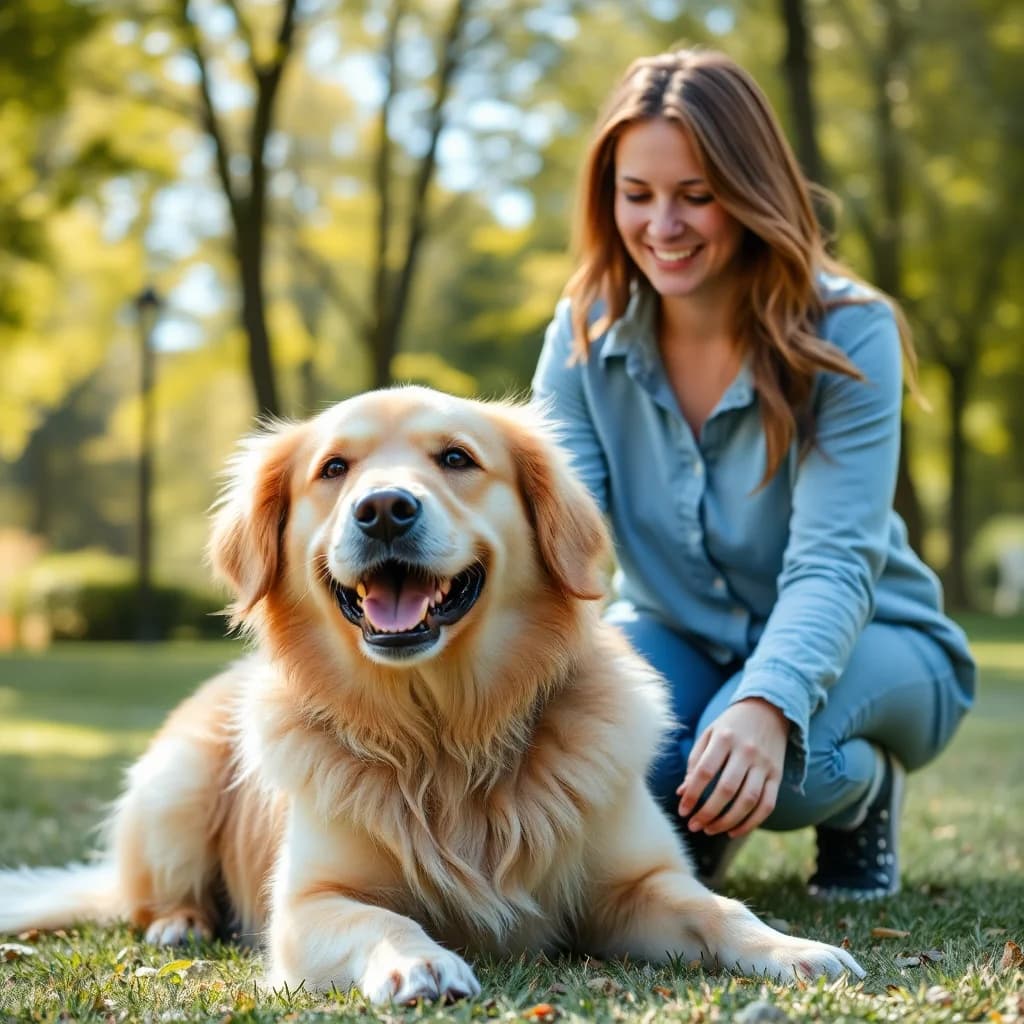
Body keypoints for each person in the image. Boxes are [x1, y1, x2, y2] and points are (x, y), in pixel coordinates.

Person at [531, 46, 976, 900]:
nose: (664, 226)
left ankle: (865, 795)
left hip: (877, 639)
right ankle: (697, 815)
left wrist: (764, 703)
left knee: (790, 765)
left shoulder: (851, 331)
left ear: (749, 189)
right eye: (638, 196)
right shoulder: (581, 337)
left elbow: (834, 563)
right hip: (678, 635)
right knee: (602, 757)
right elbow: (564, 543)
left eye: (697, 196)